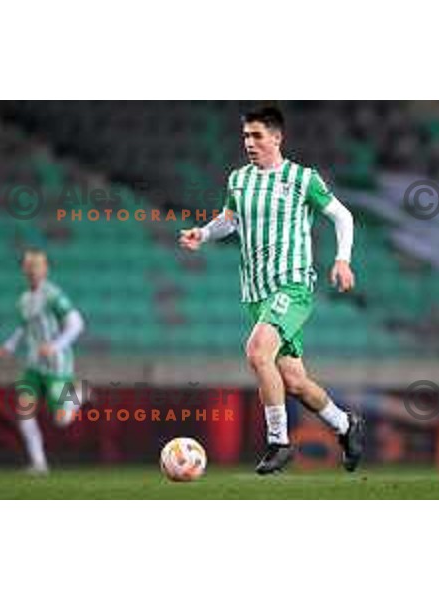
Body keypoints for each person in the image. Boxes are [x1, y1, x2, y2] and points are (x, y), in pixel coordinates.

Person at [179, 106, 364, 475]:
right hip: (255, 293)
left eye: (257, 135)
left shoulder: (302, 178)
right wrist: (203, 233)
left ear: (277, 138)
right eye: (246, 136)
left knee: (256, 351)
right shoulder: (239, 180)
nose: (249, 142)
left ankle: (279, 443)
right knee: (294, 381)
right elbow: (229, 221)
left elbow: (342, 215)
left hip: (292, 285)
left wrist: (342, 260)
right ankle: (346, 425)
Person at [0, 249, 86, 474]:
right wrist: (9, 346)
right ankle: (39, 464)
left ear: (45, 269)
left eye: (37, 266)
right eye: (29, 266)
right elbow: (24, 328)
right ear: (24, 269)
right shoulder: (24, 300)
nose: (32, 270)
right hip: (34, 366)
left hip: (57, 366)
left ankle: (76, 395)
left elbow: (77, 324)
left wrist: (54, 346)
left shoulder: (54, 295)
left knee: (62, 420)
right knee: (24, 410)